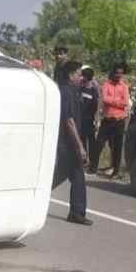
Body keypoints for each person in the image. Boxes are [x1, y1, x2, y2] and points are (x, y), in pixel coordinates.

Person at [53, 59, 92, 226]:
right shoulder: (65, 92)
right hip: (67, 142)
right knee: (77, 176)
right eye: (78, 74)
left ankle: (33, 195)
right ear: (71, 75)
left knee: (60, 174)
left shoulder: (74, 90)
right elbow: (69, 120)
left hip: (69, 141)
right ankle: (77, 212)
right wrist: (80, 146)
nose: (80, 77)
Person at [91, 63, 130, 179]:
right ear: (113, 73)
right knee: (99, 144)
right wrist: (117, 101)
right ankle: (93, 168)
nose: (119, 75)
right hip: (107, 120)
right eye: (117, 73)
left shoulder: (124, 87)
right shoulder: (106, 85)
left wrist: (114, 101)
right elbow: (105, 99)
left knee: (117, 147)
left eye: (121, 73)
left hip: (119, 121)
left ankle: (116, 171)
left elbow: (125, 103)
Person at [78, 66, 100, 162]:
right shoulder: (80, 88)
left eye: (84, 76)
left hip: (90, 118)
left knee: (91, 140)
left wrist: (96, 118)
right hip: (81, 118)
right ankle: (83, 159)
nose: (82, 78)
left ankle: (92, 160)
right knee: (82, 138)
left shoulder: (94, 90)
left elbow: (97, 105)